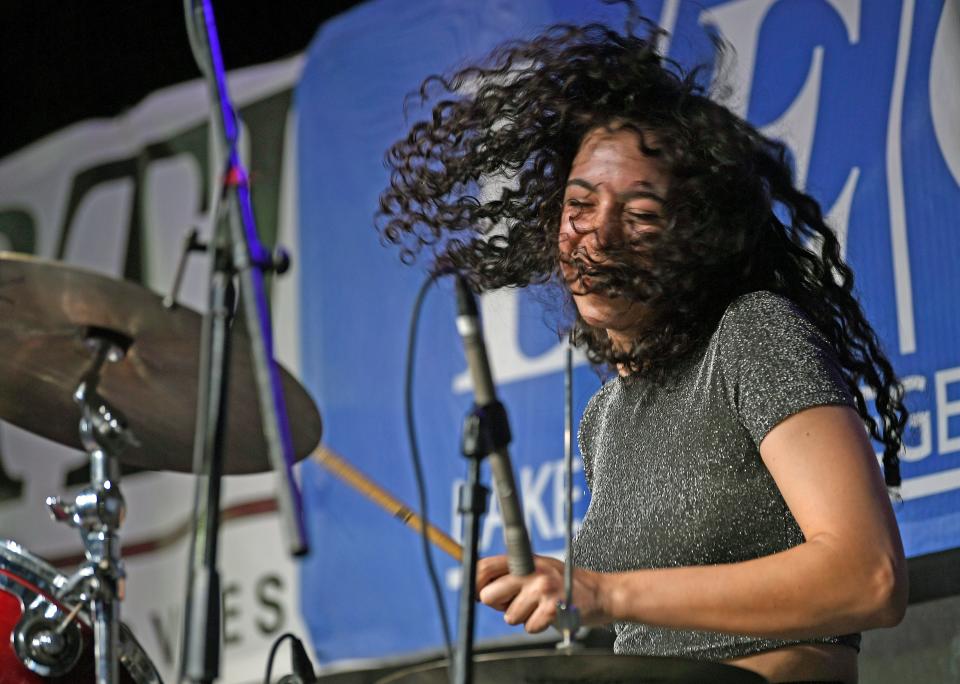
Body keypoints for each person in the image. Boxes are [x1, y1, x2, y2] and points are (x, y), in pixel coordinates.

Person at [377, 11, 908, 684]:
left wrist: (604, 592)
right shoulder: (605, 417)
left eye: (641, 214)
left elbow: (871, 576)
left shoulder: (752, 336)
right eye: (580, 204)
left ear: (697, 237)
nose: (599, 234)